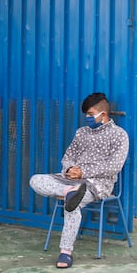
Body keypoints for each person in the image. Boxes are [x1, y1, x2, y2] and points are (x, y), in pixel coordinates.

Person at [29, 93, 129, 269]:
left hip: (97, 184)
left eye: (90, 114)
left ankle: (65, 252)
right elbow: (68, 156)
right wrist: (69, 170)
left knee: (72, 205)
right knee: (35, 180)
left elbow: (114, 166)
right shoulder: (81, 133)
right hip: (70, 181)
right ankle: (69, 192)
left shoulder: (119, 135)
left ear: (103, 114)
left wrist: (83, 172)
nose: (87, 118)